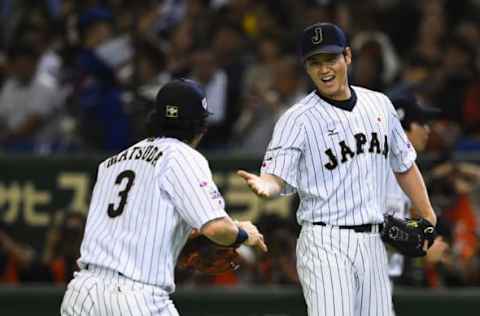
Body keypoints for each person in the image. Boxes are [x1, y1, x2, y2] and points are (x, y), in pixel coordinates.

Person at [237, 22, 437, 316]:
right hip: (325, 241)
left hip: (373, 241)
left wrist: (427, 213)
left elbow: (405, 165)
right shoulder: (297, 119)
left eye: (330, 59)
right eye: (314, 62)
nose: (323, 69)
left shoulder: (379, 105)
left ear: (347, 56)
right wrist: (267, 185)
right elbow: (276, 175)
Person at [61, 78, 267, 315]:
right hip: (136, 297)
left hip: (83, 293)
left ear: (155, 119)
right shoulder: (183, 156)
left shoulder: (110, 164)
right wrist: (242, 234)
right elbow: (217, 229)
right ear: (201, 128)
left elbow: (137, 227)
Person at [385, 90, 442, 280]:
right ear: (401, 128)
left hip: (383, 275)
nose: (427, 129)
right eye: (421, 123)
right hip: (366, 277)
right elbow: (377, 231)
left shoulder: (403, 172)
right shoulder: (385, 170)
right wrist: (422, 250)